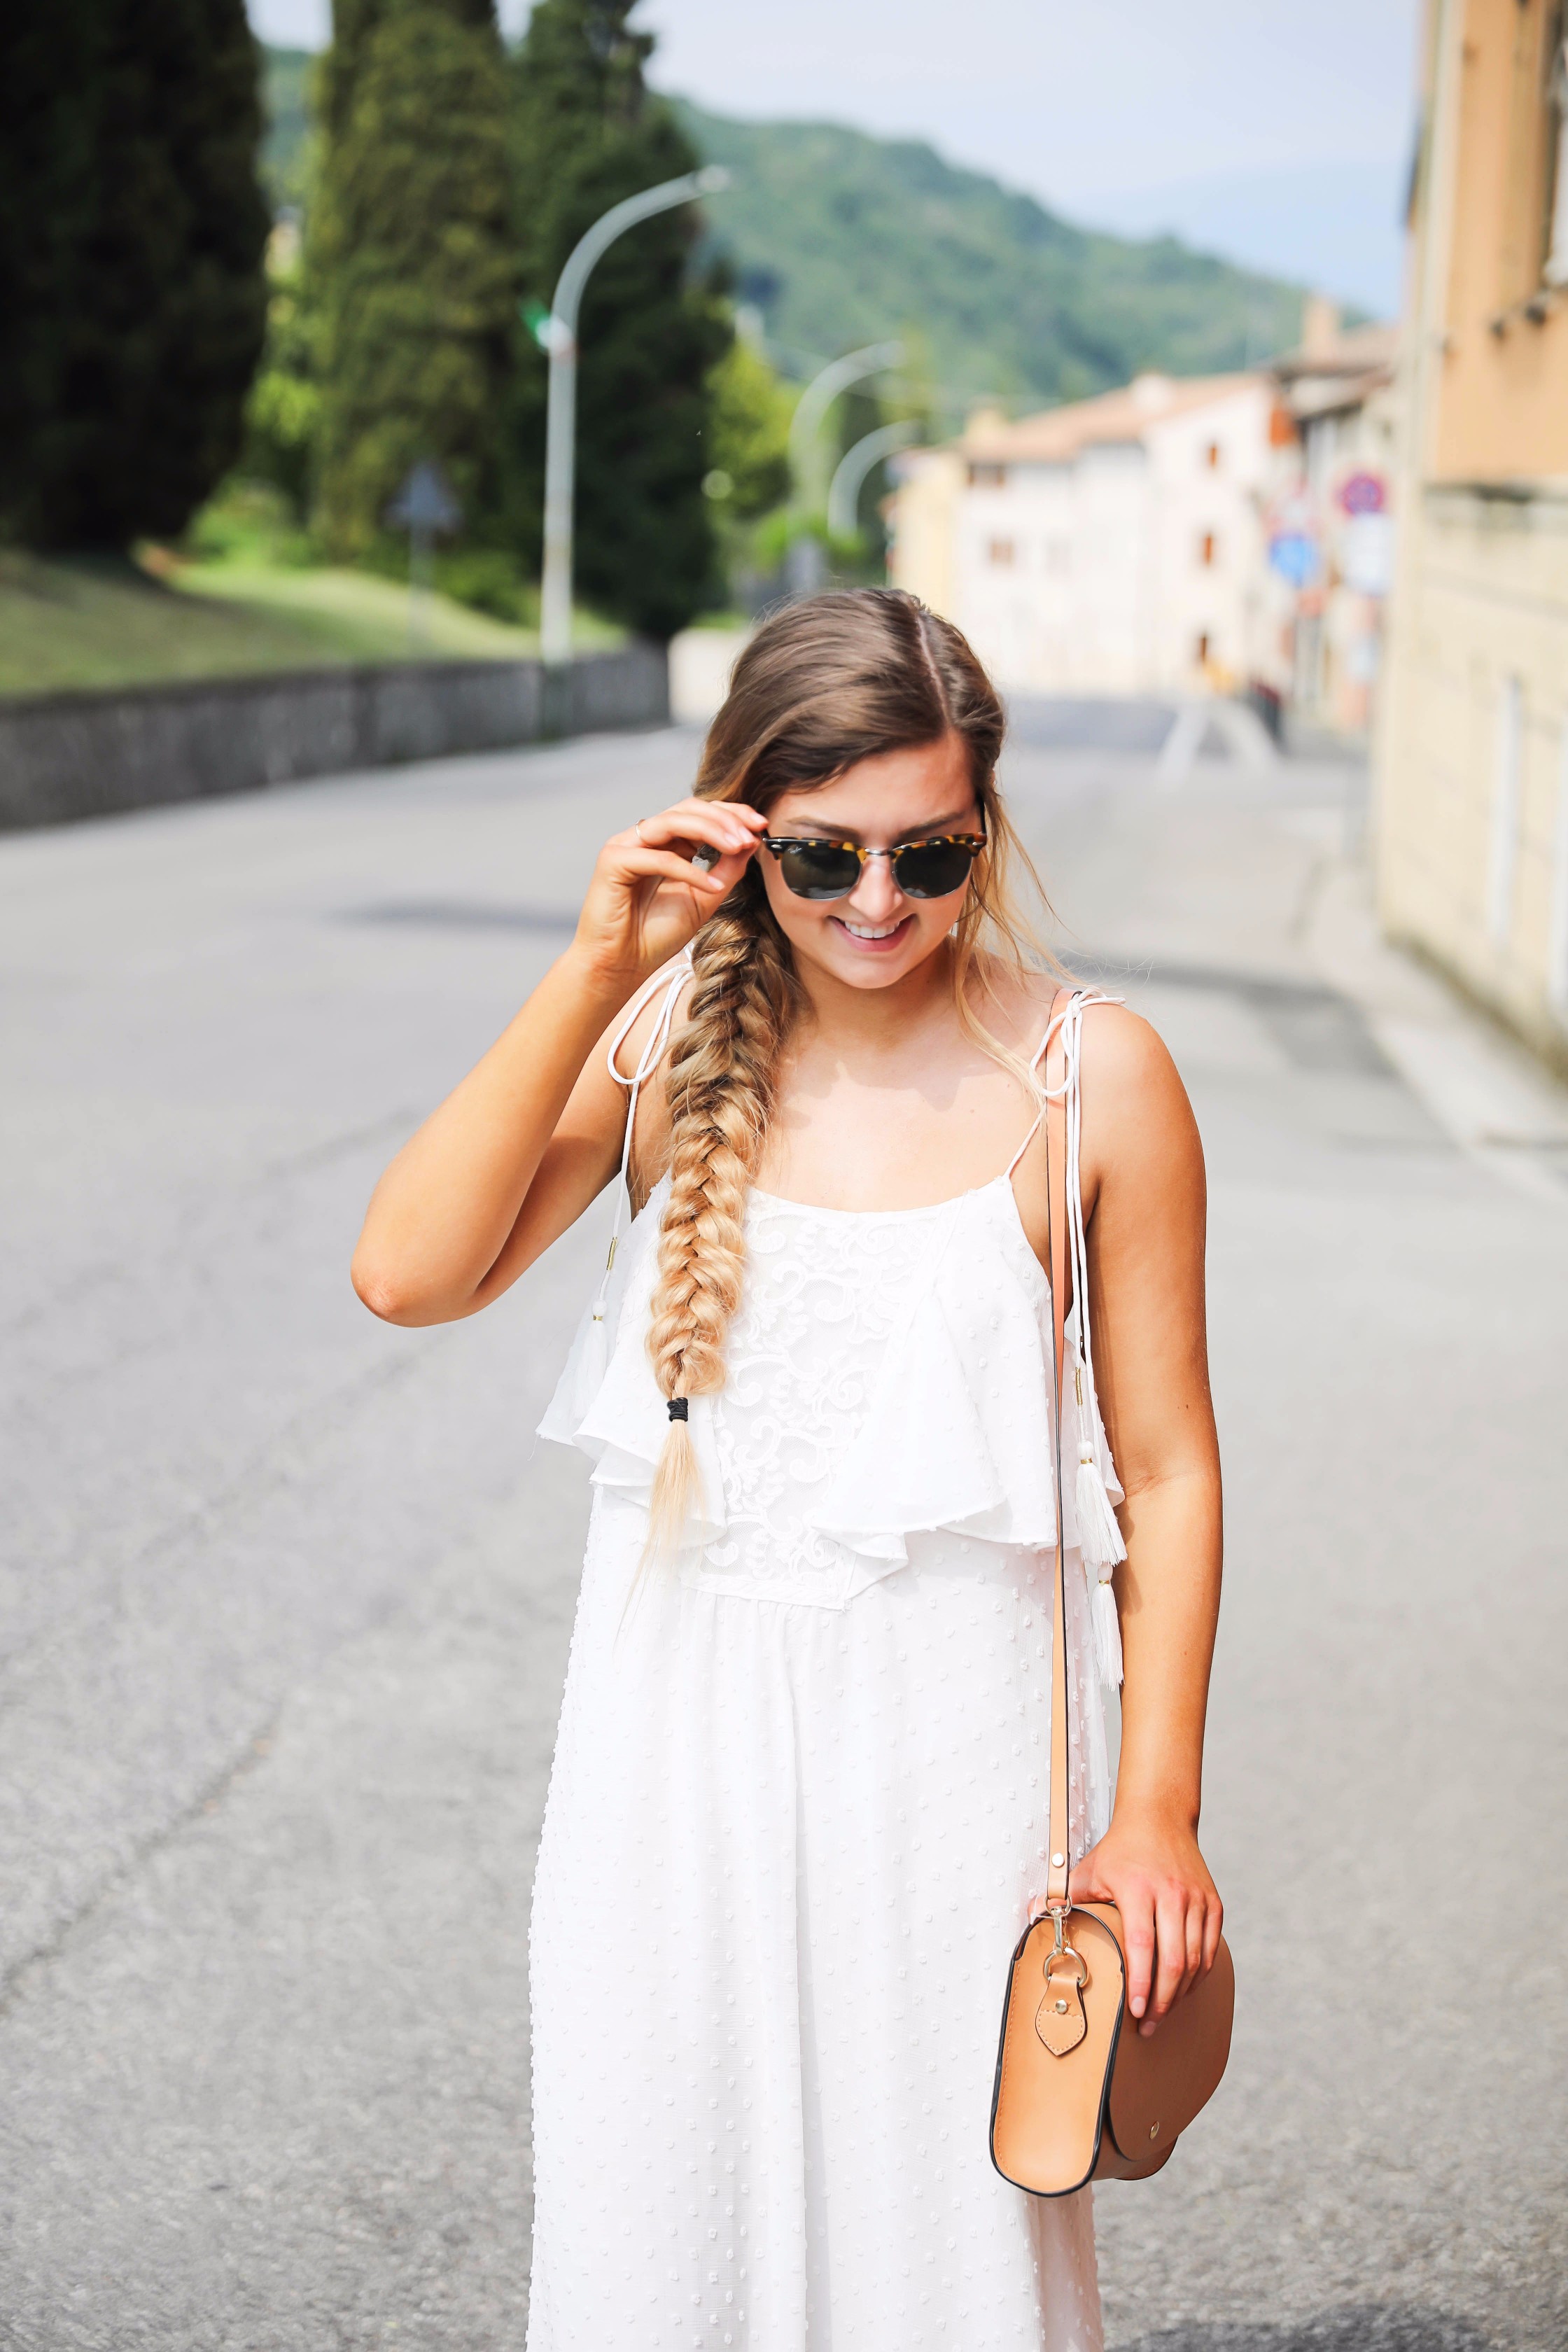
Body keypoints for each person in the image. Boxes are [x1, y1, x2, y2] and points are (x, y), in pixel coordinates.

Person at [351, 589, 1224, 2351]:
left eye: (934, 853)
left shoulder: (1093, 1078)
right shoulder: (662, 1043)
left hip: (960, 1779)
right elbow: (409, 1275)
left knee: (943, 2255)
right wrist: (602, 959)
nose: (880, 907)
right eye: (823, 861)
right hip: (667, 1771)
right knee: (662, 2217)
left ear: (988, 823)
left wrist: (1156, 1813)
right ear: (742, 835)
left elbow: (1173, 1470)